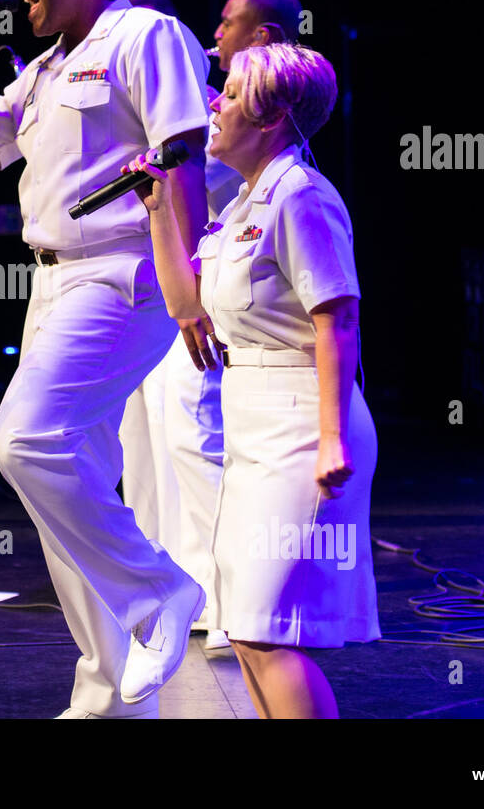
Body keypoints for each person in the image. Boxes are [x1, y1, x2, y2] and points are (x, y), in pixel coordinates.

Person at [0, 0, 212, 717]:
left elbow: (181, 153)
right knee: (71, 487)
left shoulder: (144, 33)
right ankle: (109, 696)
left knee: (23, 437)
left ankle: (162, 589)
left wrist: (188, 281)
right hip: (51, 284)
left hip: (120, 274)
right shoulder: (45, 70)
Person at [123, 42, 379, 718]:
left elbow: (339, 317)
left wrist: (331, 439)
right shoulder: (243, 205)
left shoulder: (302, 197)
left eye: (230, 94)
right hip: (251, 426)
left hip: (302, 426)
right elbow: (188, 306)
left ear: (272, 116)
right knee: (242, 629)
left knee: (270, 629)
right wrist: (155, 207)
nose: (214, 103)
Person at [119, 0, 302, 652]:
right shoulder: (210, 96)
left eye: (228, 24)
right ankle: (166, 587)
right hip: (176, 281)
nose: (214, 32)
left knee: (195, 431)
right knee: (149, 435)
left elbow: (205, 176)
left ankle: (230, 599)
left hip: (220, 290)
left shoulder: (264, 108)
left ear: (264, 36)